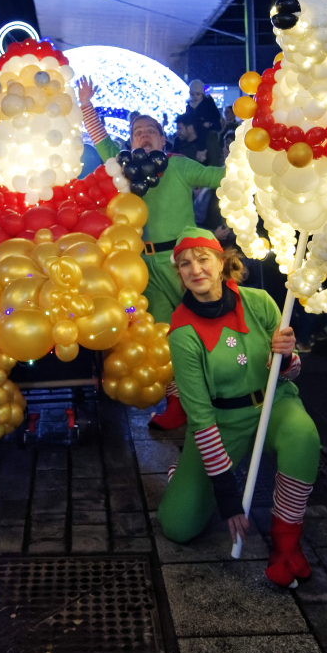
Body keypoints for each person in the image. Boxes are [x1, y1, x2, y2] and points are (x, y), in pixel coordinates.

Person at [158, 227, 320, 587]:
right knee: (178, 526)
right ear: (179, 273)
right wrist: (228, 497)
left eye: (203, 259)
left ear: (221, 262)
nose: (195, 269)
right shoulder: (182, 332)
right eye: (185, 264)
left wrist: (286, 356)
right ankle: (181, 476)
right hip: (222, 421)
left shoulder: (259, 302)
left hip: (274, 403)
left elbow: (291, 372)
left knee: (303, 436)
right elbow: (200, 417)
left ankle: (286, 546)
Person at [78, 76, 226, 429]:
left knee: (206, 327)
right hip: (142, 264)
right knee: (164, 335)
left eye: (150, 131)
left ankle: (221, 396)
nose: (143, 136)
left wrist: (255, 160)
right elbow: (101, 141)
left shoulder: (178, 164)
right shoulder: (124, 166)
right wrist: (85, 103)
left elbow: (216, 177)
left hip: (181, 262)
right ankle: (177, 404)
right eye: (137, 132)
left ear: (162, 139)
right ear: (131, 141)